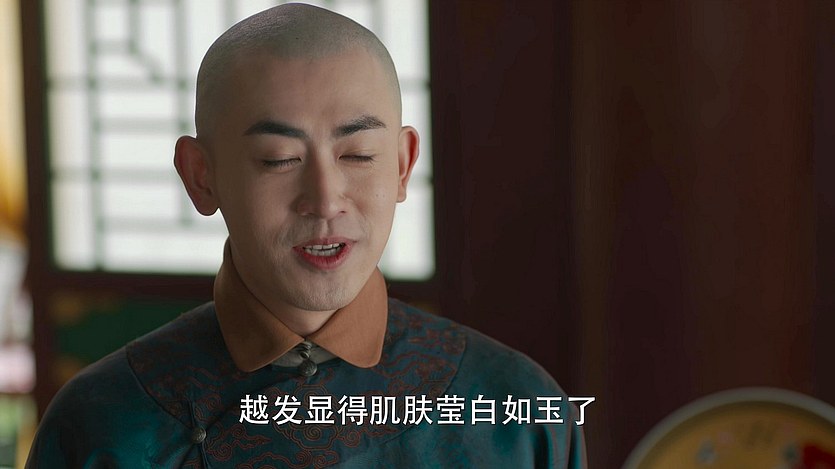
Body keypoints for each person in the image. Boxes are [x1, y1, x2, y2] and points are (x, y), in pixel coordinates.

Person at [26, 3, 587, 467]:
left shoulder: (518, 410)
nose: (324, 199)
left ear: (402, 165)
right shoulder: (101, 423)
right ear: (201, 176)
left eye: (358, 154)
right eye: (279, 158)